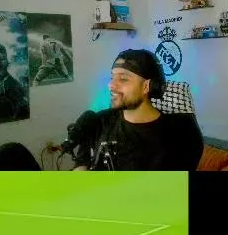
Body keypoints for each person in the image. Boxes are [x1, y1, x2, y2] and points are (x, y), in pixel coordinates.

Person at [72, 49, 204, 171]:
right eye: (112, 77)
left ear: (146, 86)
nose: (111, 85)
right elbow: (81, 166)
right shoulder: (97, 122)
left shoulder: (181, 132)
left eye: (123, 79)